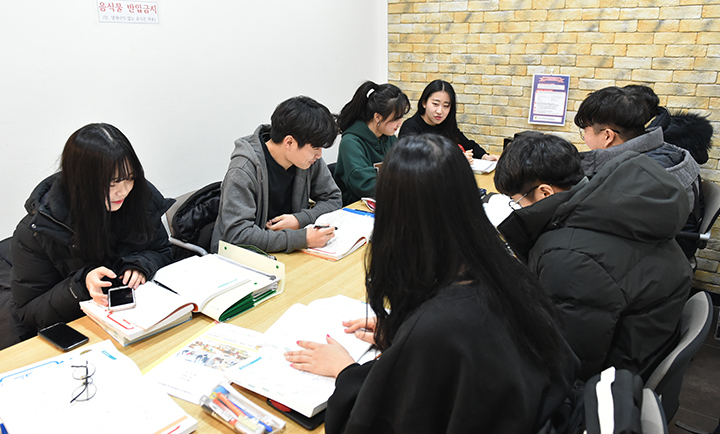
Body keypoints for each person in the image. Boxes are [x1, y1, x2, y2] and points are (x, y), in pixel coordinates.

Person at [284, 134, 578, 433]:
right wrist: (400, 334)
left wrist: (345, 371)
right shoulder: (503, 269)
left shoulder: (437, 327)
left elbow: (375, 424)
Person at [494, 131, 692, 381]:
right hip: (641, 345)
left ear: (544, 192)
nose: (517, 208)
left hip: (610, 379)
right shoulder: (613, 204)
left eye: (517, 201)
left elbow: (568, 364)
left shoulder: (567, 257)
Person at [8, 123, 174, 345]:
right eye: (112, 182)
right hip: (83, 335)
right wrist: (80, 285)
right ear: (81, 182)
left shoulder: (140, 198)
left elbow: (161, 249)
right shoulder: (38, 231)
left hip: (138, 324)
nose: (123, 190)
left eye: (130, 177)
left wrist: (141, 264)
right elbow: (29, 312)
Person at [574, 84, 702, 257]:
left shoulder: (638, 175)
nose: (584, 137)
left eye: (585, 131)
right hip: (670, 240)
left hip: (657, 254)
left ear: (607, 136)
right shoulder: (667, 150)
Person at [211, 96, 342, 253]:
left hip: (286, 253)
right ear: (289, 142)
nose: (319, 155)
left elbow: (333, 199)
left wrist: (299, 220)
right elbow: (237, 235)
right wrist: (301, 238)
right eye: (316, 148)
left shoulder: (307, 160)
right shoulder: (243, 169)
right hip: (241, 257)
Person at [333, 81, 410, 205]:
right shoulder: (351, 143)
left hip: (387, 201)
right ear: (377, 117)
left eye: (401, 117)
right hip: (356, 207)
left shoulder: (389, 137)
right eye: (396, 119)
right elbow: (365, 185)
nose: (400, 124)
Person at [399, 79, 498, 163]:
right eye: (435, 104)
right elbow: (413, 158)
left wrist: (485, 157)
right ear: (424, 103)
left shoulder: (446, 124)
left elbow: (469, 145)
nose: (440, 111)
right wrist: (456, 159)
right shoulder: (410, 127)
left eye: (446, 106)